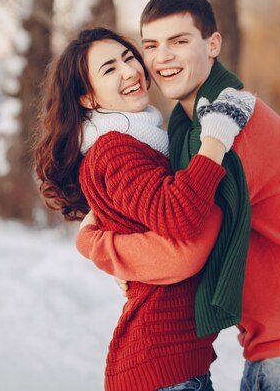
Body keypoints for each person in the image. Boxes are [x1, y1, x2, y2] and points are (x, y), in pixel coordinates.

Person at [76, 0, 280, 391]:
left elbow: (182, 250)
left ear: (213, 44)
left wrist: (98, 245)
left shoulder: (225, 126)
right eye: (151, 46)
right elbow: (165, 204)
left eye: (179, 42)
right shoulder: (188, 125)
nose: (162, 59)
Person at [34, 27, 255, 391]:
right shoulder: (114, 150)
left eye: (129, 57)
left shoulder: (140, 141)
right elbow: (180, 216)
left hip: (170, 365)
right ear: (88, 98)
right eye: (109, 69)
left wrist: (100, 242)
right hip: (160, 367)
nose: (130, 71)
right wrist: (216, 138)